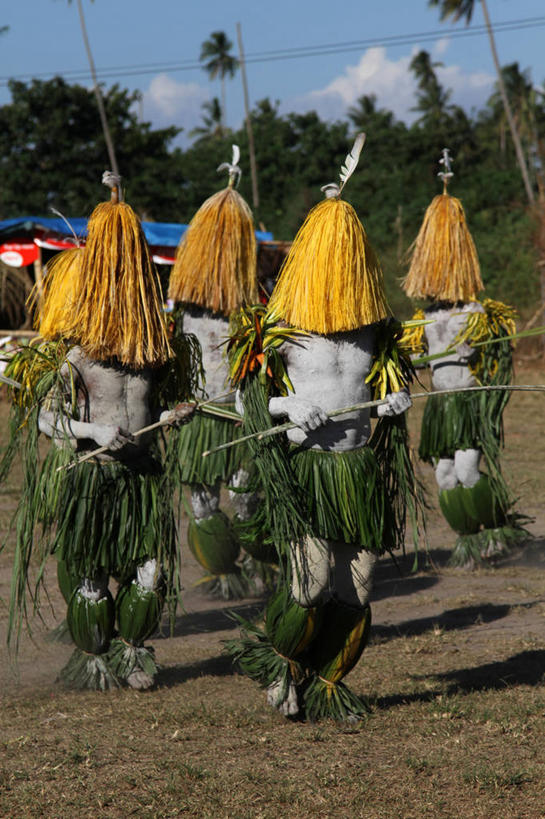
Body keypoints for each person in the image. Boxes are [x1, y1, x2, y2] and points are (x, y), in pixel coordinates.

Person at [226, 135, 422, 721]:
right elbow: (244, 401)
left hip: (357, 472)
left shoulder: (375, 330)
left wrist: (394, 403)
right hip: (306, 470)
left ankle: (326, 682)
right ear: (311, 257)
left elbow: (389, 388)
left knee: (355, 591)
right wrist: (288, 408)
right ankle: (282, 661)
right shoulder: (280, 328)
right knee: (310, 586)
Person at [4, 172, 196, 690]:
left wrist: (175, 414)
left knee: (151, 572)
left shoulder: (152, 352)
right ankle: (94, 653)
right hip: (94, 477)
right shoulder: (78, 354)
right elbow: (46, 419)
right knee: (90, 578)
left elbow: (158, 404)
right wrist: (93, 430)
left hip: (141, 477)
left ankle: (132, 651)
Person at [402, 149, 526, 566]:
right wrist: (410, 362)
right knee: (444, 476)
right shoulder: (424, 317)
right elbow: (420, 360)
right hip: (441, 406)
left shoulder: (476, 312)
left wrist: (478, 351)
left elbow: (499, 359)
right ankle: (468, 538)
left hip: (468, 401)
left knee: (469, 471)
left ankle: (495, 529)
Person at [167, 146, 273, 598]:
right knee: (202, 503)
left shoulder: (256, 308)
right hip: (198, 415)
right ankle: (223, 572)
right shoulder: (183, 313)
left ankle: (263, 565)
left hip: (242, 418)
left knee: (246, 498)